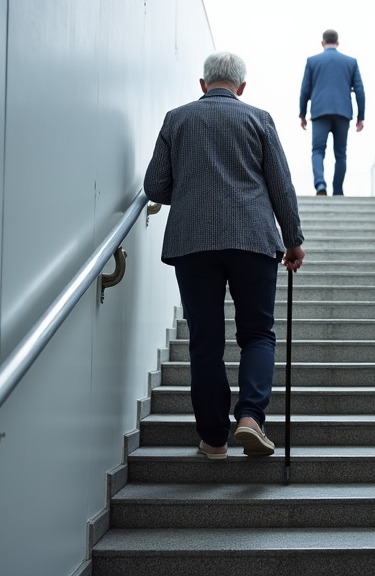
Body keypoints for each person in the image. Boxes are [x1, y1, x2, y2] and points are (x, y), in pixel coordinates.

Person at [144, 51, 305, 460]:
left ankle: (214, 440)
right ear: (242, 87)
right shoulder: (259, 119)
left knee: (205, 340)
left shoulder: (176, 119)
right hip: (253, 240)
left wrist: (190, 190)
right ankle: (250, 418)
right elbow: (281, 187)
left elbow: (155, 186)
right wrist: (293, 240)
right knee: (256, 334)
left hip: (193, 244)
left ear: (203, 84)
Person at [299, 29, 366, 196]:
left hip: (320, 112)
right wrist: (360, 116)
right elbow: (360, 91)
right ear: (338, 43)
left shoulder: (312, 61)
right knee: (341, 154)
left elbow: (304, 90)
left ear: (323, 43)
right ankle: (338, 191)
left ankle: (320, 185)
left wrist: (302, 114)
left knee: (318, 151)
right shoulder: (351, 62)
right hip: (343, 113)